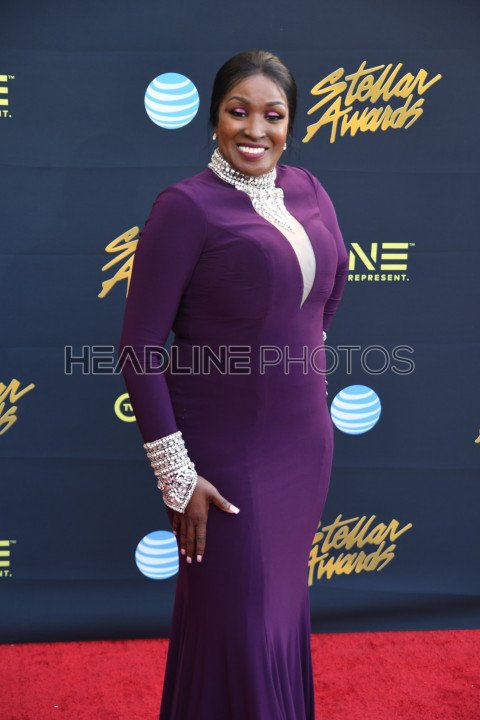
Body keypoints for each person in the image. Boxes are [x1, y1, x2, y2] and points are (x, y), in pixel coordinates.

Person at [118, 49, 349, 720]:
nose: (255, 130)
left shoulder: (309, 189)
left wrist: (290, 370)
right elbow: (138, 350)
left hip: (303, 447)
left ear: (291, 124)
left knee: (276, 618)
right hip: (225, 461)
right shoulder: (185, 208)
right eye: (238, 111)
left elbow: (328, 294)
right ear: (214, 117)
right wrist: (177, 475)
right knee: (238, 624)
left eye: (272, 116)